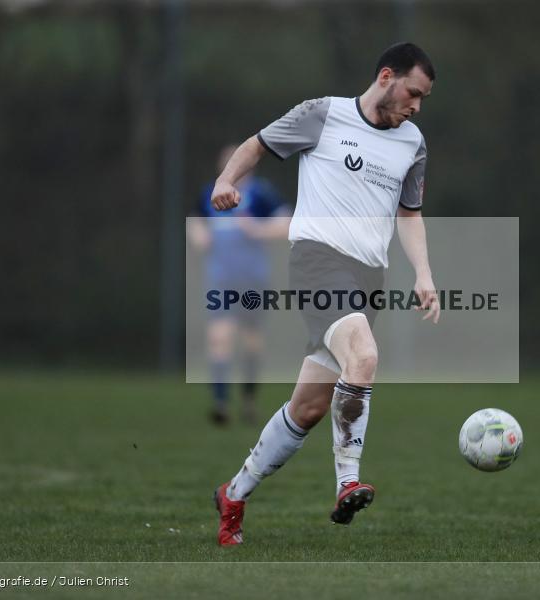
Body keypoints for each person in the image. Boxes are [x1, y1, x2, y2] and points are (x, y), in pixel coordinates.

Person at [210, 42, 439, 545]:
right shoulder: (322, 115)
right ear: (386, 76)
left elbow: (410, 213)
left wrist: (423, 272)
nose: (416, 106)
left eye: (422, 99)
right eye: (413, 93)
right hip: (317, 262)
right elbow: (256, 144)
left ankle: (234, 493)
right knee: (365, 357)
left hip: (369, 279)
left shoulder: (413, 142)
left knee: (308, 408)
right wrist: (226, 180)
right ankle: (347, 482)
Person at [188, 145, 290, 425]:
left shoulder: (261, 193)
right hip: (221, 279)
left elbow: (287, 223)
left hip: (253, 279)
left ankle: (248, 401)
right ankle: (220, 404)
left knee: (251, 343)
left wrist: (258, 230)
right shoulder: (211, 193)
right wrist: (199, 235)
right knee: (219, 337)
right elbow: (196, 220)